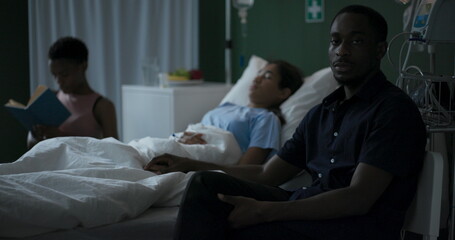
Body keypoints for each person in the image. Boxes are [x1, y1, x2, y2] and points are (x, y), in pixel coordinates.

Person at [145, 5, 427, 240]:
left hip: (354, 226)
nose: (341, 50)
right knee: (205, 185)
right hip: (309, 208)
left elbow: (359, 198)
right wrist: (190, 165)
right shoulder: (322, 113)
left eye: (355, 41)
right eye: (335, 41)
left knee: (239, 229)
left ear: (379, 50)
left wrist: (265, 210)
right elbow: (268, 175)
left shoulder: (392, 110)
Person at [148, 60, 303, 166]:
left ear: (283, 93)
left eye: (267, 77)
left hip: (201, 160)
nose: (257, 79)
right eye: (259, 73)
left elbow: (247, 167)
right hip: (181, 146)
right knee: (144, 151)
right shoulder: (226, 106)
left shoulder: (266, 118)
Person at [27, 36, 118, 149]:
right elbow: (30, 145)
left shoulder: (102, 106)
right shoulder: (50, 97)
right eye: (54, 75)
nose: (58, 81)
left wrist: (61, 136)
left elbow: (114, 151)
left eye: (64, 75)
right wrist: (36, 135)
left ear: (83, 66)